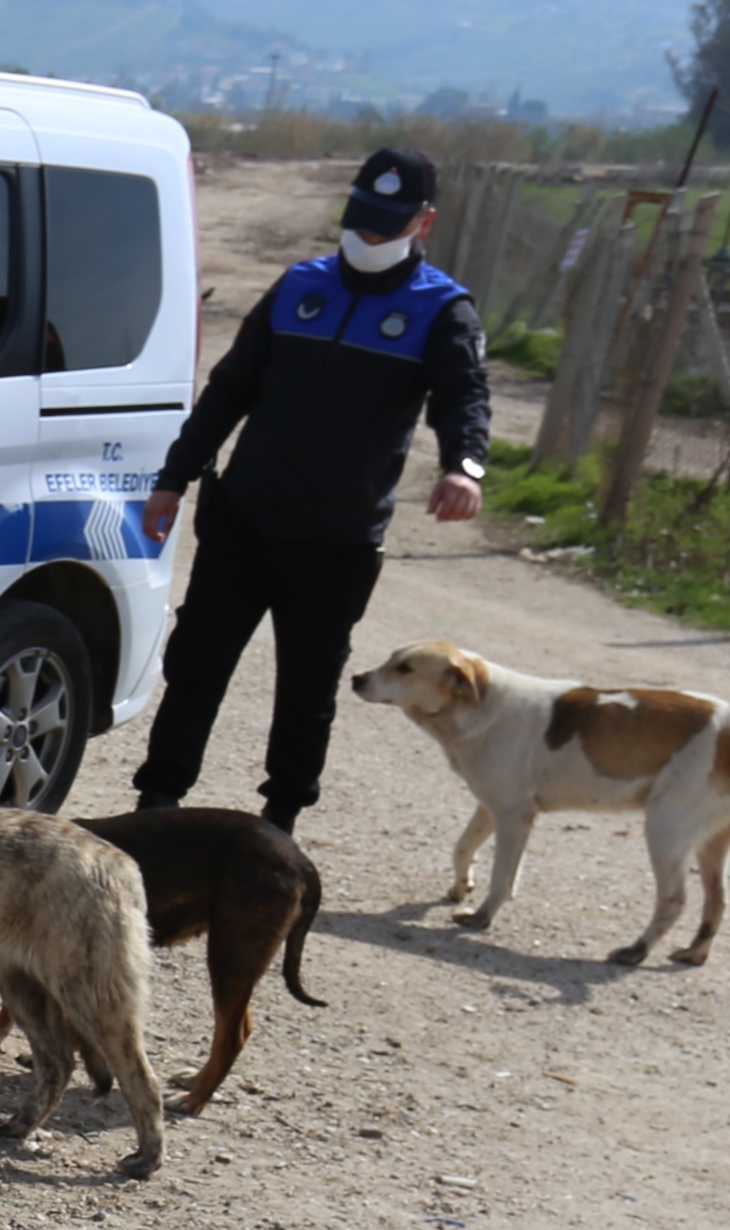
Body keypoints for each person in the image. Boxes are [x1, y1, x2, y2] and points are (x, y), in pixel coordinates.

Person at [131, 146, 490, 835]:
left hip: (336, 540)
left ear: (424, 222)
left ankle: (280, 817)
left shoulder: (441, 309)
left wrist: (462, 466)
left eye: (387, 223)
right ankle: (158, 802)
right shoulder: (299, 285)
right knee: (196, 664)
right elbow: (229, 389)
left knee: (306, 685)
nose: (368, 235)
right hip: (243, 520)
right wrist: (172, 479)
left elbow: (462, 396)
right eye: (360, 219)